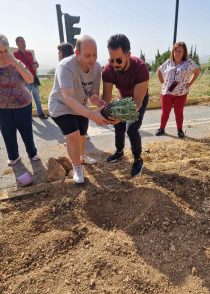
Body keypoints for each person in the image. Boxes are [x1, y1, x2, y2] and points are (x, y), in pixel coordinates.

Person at [48, 35, 109, 184]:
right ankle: (77, 168)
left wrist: (98, 101)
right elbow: (68, 97)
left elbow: (92, 94)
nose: (92, 59)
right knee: (73, 135)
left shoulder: (96, 67)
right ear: (77, 53)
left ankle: (82, 156)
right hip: (61, 105)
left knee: (82, 135)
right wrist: (91, 115)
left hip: (80, 104)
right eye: (87, 55)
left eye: (95, 55)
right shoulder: (65, 67)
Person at [101, 34, 149, 177]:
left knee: (131, 128)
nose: (114, 64)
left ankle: (138, 159)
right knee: (117, 125)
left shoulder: (141, 68)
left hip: (139, 99)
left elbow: (137, 103)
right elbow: (106, 98)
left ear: (128, 54)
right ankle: (119, 151)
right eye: (111, 59)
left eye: (118, 60)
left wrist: (121, 116)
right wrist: (104, 112)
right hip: (123, 98)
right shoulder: (108, 70)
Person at [0, 34, 40, 166]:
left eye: (5, 51)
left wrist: (16, 64)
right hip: (2, 107)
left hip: (23, 104)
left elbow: (30, 79)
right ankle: (13, 156)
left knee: (26, 131)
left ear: (9, 50)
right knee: (7, 133)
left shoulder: (17, 63)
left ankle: (32, 153)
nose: (3, 55)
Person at [155, 41, 200, 138]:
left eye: (180, 51)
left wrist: (190, 83)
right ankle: (161, 128)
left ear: (184, 52)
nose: (177, 53)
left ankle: (179, 130)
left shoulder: (188, 62)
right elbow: (159, 71)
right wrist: (163, 83)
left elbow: (197, 72)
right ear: (173, 52)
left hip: (181, 93)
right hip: (167, 92)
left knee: (178, 112)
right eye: (175, 50)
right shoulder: (168, 62)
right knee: (165, 112)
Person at [13, 36, 48, 119]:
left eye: (24, 41)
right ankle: (28, 116)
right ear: (17, 43)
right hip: (23, 80)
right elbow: (13, 68)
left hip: (33, 79)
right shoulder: (14, 55)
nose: (23, 43)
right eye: (21, 41)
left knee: (37, 98)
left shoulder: (29, 53)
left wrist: (36, 65)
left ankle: (41, 114)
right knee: (27, 100)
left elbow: (37, 64)